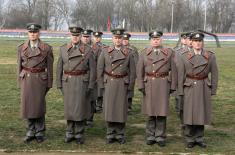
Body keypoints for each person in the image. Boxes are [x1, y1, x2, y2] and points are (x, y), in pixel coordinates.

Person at [177, 32, 218, 148]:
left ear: (202, 42)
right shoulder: (184, 55)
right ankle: (189, 138)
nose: (198, 43)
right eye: (195, 41)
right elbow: (181, 74)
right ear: (192, 42)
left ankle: (199, 138)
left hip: (203, 86)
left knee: (201, 113)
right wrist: (180, 90)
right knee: (189, 112)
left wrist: (213, 89)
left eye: (200, 41)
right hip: (189, 86)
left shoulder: (210, 56)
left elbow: (215, 74)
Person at [136, 30, 177, 147]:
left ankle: (160, 136)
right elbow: (139, 71)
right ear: (150, 40)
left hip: (163, 84)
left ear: (161, 40)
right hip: (149, 84)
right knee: (150, 112)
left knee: (161, 112)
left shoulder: (169, 52)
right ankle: (150, 135)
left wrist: (173, 85)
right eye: (153, 39)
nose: (155, 41)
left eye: (157, 39)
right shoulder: (144, 52)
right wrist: (140, 85)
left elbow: (174, 70)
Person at [56, 25, 96, 144]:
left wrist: (90, 85)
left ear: (80, 36)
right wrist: (59, 83)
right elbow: (59, 67)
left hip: (81, 81)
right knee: (69, 108)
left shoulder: (88, 50)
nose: (75, 37)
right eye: (73, 35)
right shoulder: (63, 49)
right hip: (67, 81)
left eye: (77, 35)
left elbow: (93, 69)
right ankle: (69, 132)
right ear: (70, 35)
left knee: (79, 108)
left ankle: (79, 133)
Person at [97, 28, 136, 144]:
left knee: (120, 110)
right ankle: (110, 133)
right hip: (109, 82)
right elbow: (100, 69)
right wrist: (101, 85)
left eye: (120, 38)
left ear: (122, 38)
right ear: (112, 38)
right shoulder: (105, 51)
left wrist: (130, 86)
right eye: (116, 38)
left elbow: (133, 72)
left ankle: (120, 134)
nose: (118, 40)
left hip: (122, 84)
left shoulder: (129, 52)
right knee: (110, 109)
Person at [17, 23, 54, 143]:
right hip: (26, 80)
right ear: (28, 33)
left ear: (39, 33)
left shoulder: (46, 48)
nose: (33, 34)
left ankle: (40, 132)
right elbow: (19, 67)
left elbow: (50, 68)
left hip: (40, 80)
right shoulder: (21, 48)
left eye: (35, 32)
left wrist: (49, 83)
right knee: (27, 106)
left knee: (38, 106)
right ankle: (30, 131)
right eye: (30, 32)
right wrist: (20, 82)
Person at [122, 32, 139, 113]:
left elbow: (136, 62)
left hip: (130, 73)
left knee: (129, 90)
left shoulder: (132, 49)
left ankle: (128, 106)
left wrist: (135, 74)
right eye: (124, 39)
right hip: (121, 73)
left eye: (126, 40)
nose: (125, 41)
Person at [92, 31, 105, 113]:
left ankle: (99, 105)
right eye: (96, 37)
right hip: (93, 70)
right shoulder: (90, 47)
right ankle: (93, 106)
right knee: (93, 89)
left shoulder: (104, 47)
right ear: (93, 38)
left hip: (101, 71)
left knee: (100, 89)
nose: (97, 39)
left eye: (98, 37)